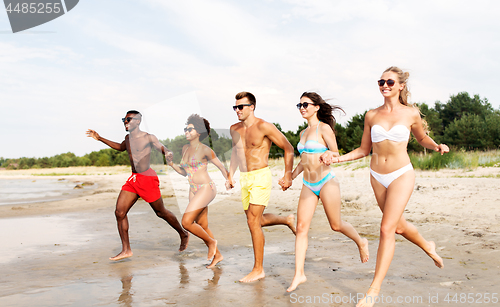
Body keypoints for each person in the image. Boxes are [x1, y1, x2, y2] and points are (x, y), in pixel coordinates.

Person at [321, 67, 448, 307]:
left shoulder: (411, 114)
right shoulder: (371, 115)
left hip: (401, 174)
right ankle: (427, 245)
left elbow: (421, 138)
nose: (384, 85)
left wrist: (436, 146)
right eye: (381, 81)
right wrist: (336, 158)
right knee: (398, 226)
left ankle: (373, 290)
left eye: (389, 81)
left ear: (400, 85)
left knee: (386, 228)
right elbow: (363, 150)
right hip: (377, 175)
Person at [285, 92, 369, 292]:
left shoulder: (324, 129)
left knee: (336, 224)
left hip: (325, 181)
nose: (302, 107)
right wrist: (290, 176)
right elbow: (303, 161)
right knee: (301, 227)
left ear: (316, 107)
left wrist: (330, 155)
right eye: (299, 104)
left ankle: (361, 240)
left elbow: (335, 152)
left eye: (305, 104)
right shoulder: (303, 133)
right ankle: (299, 274)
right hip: (308, 183)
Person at [86, 110, 189, 261]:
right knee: (119, 212)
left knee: (160, 212)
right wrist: (100, 138)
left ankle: (183, 233)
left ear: (138, 121)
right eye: (124, 119)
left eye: (128, 119)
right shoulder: (127, 139)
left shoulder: (148, 137)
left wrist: (168, 153)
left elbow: (162, 148)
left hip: (147, 178)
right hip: (134, 180)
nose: (125, 122)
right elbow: (120, 147)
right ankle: (126, 250)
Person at [226, 91, 297, 283]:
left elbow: (288, 147)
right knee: (254, 220)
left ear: (252, 107)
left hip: (260, 176)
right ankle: (287, 219)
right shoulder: (234, 128)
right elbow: (235, 152)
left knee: (252, 222)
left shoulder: (264, 126)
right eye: (235, 107)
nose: (237, 110)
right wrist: (230, 174)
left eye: (241, 106)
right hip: (244, 178)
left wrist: (287, 174)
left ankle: (258, 269)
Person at [168, 114, 228, 268]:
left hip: (206, 188)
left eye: (190, 129)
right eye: (185, 129)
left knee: (186, 222)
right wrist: (172, 164)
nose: (186, 131)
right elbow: (184, 172)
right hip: (193, 189)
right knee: (202, 224)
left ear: (199, 132)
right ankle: (218, 255)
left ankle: (211, 242)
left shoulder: (205, 150)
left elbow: (221, 166)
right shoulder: (185, 148)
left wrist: (229, 179)